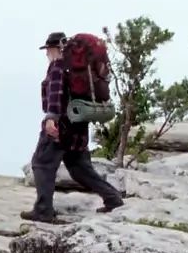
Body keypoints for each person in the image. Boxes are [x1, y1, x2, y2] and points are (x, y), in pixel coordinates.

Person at [20, 32, 124, 223]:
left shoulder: (58, 66)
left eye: (48, 50)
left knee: (41, 164)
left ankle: (43, 210)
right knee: (80, 169)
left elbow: (55, 93)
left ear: (55, 49)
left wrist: (51, 118)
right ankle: (113, 198)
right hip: (79, 125)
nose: (47, 54)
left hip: (60, 126)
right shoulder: (80, 68)